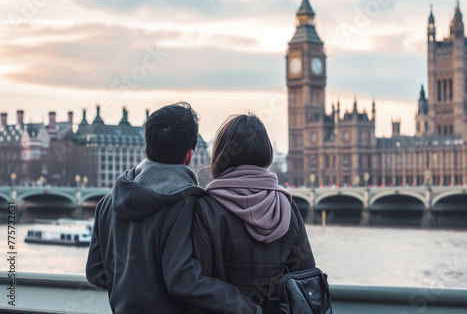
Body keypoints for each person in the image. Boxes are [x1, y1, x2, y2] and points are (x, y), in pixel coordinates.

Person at [86, 103, 261, 314]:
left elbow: (96, 272)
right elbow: (183, 280)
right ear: (189, 155)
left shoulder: (106, 203)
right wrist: (246, 306)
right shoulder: (187, 204)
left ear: (146, 149)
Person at [189, 114, 316, 313]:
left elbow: (199, 282)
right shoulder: (286, 206)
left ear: (221, 153)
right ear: (266, 152)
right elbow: (306, 277)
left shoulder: (206, 207)